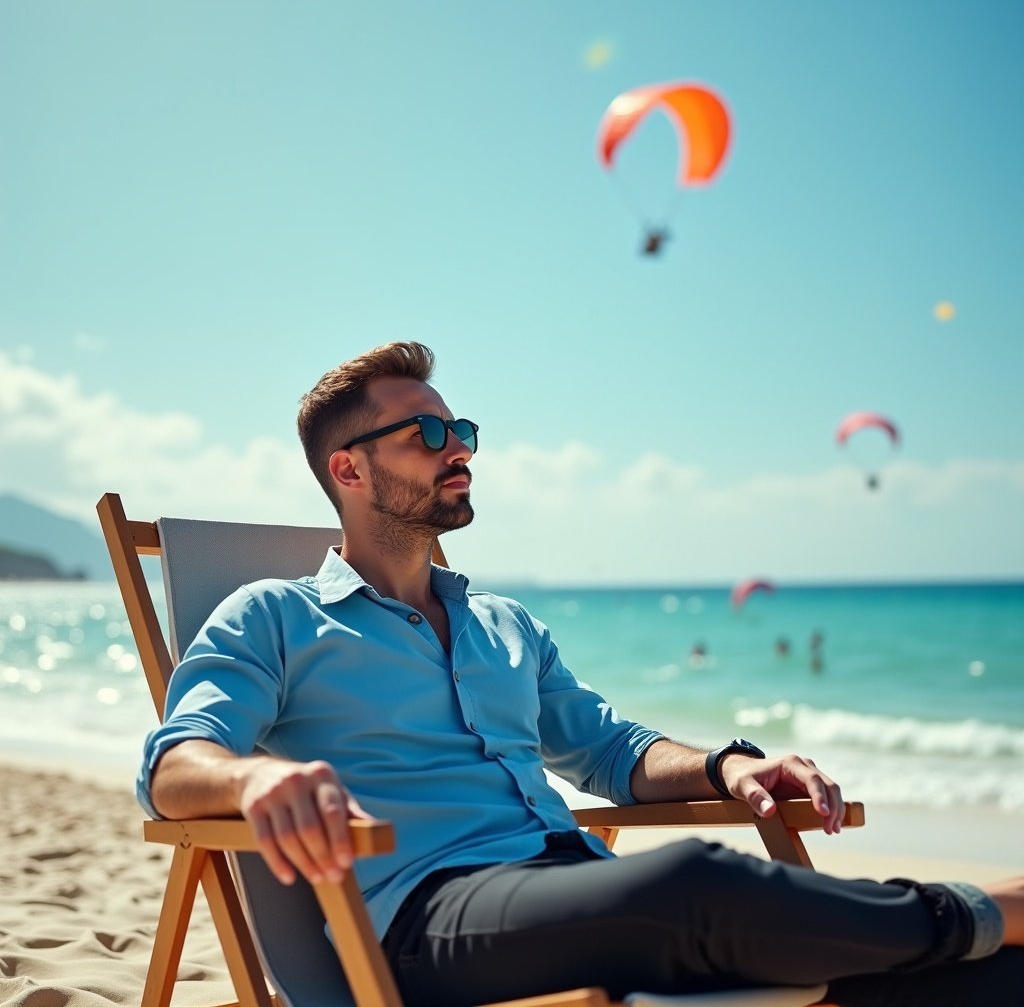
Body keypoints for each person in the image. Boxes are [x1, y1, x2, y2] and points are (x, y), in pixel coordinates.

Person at [138, 341, 1023, 1007]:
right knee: (690, 886)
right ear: (349, 469)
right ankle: (977, 907)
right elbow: (172, 767)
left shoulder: (504, 625)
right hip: (428, 922)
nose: (461, 451)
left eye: (464, 431)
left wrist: (729, 767)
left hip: (566, 888)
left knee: (940, 982)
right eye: (431, 434)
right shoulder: (276, 615)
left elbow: (611, 753)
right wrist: (257, 778)